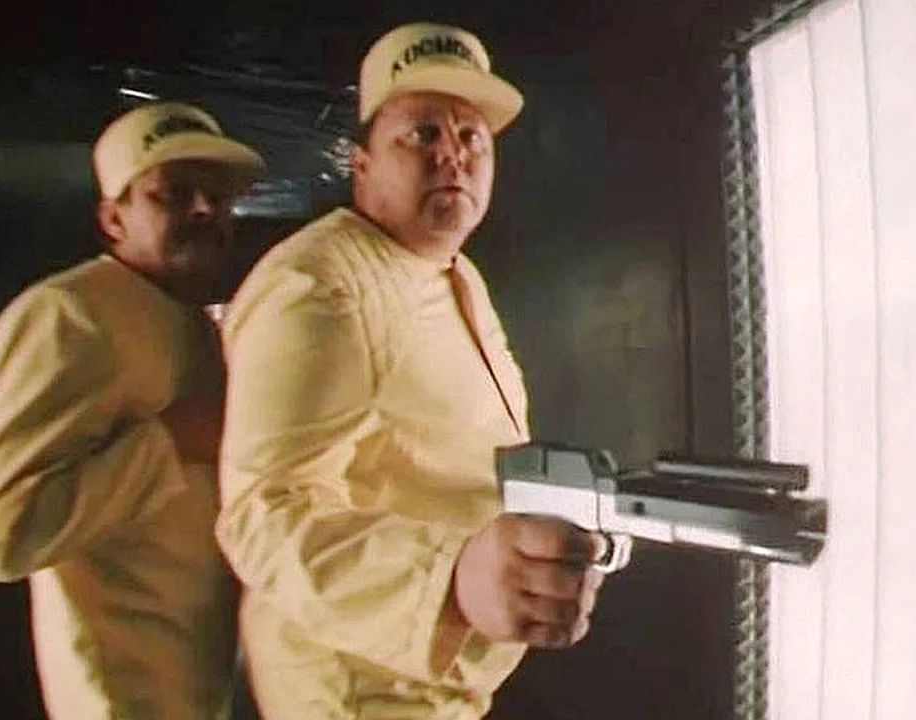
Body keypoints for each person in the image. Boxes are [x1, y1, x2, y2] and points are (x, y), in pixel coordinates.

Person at [216, 21, 632, 719]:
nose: (454, 155)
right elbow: (263, 516)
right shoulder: (318, 283)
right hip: (355, 693)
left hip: (441, 683)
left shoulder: (453, 272)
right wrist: (452, 579)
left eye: (473, 138)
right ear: (361, 164)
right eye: (423, 133)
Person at [0, 101, 265, 719]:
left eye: (217, 197)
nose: (203, 210)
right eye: (173, 193)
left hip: (203, 689)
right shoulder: (65, 314)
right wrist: (169, 443)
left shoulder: (197, 325)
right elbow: (4, 536)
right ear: (112, 218)